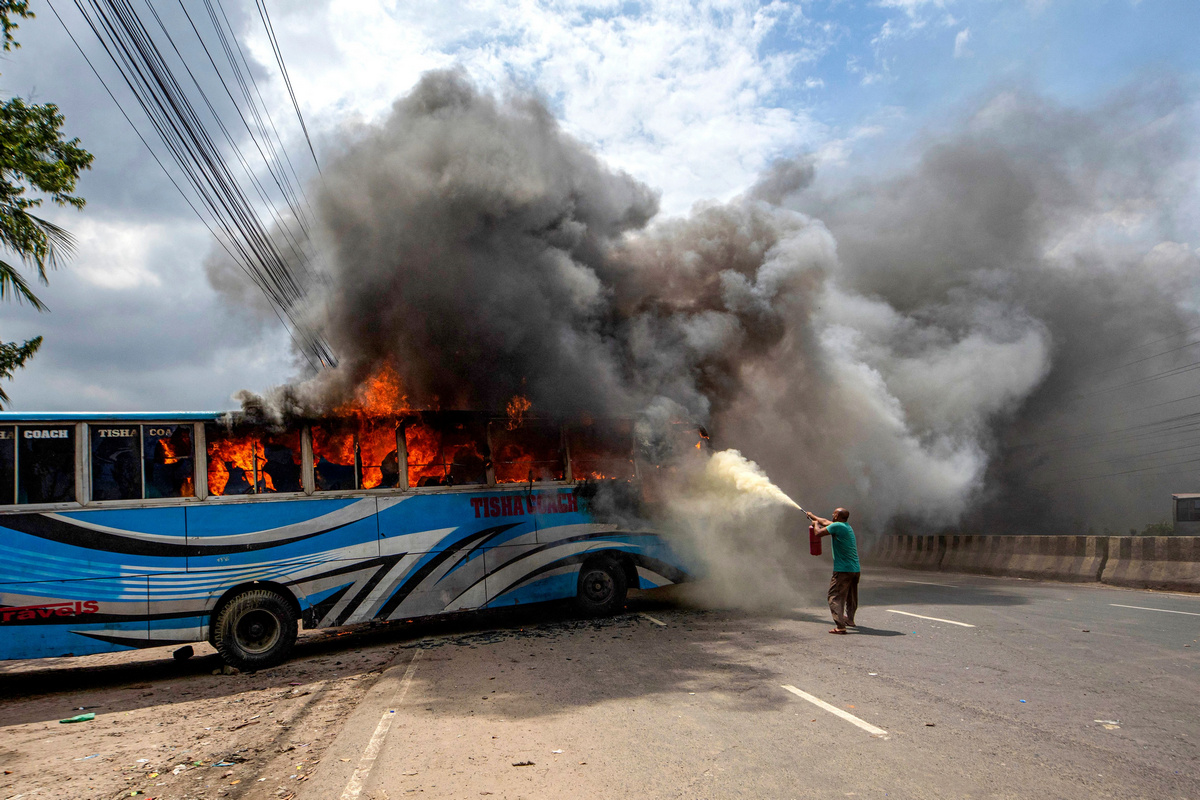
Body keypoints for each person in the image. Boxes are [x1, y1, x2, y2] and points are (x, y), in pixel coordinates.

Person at [806, 507, 860, 635]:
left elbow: (818, 533)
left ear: (837, 516)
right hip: (855, 569)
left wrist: (814, 524)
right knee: (851, 596)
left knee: (834, 596)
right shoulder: (846, 526)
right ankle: (850, 619)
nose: (832, 514)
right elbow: (824, 521)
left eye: (834, 513)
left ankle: (840, 626)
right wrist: (812, 515)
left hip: (843, 570)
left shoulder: (837, 527)